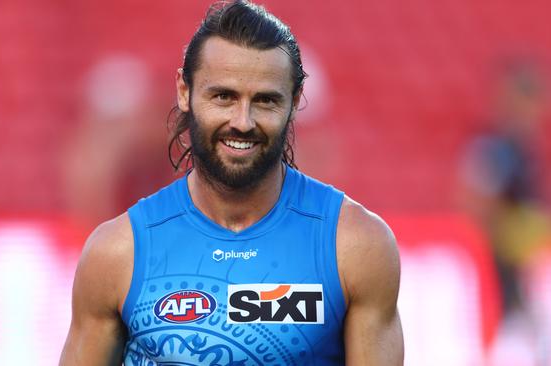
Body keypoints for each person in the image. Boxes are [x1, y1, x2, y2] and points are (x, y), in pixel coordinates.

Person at [59, 1, 403, 365]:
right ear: (184, 91)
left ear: (295, 102)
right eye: (223, 97)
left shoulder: (355, 247)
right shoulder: (117, 252)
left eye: (266, 100)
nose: (243, 121)